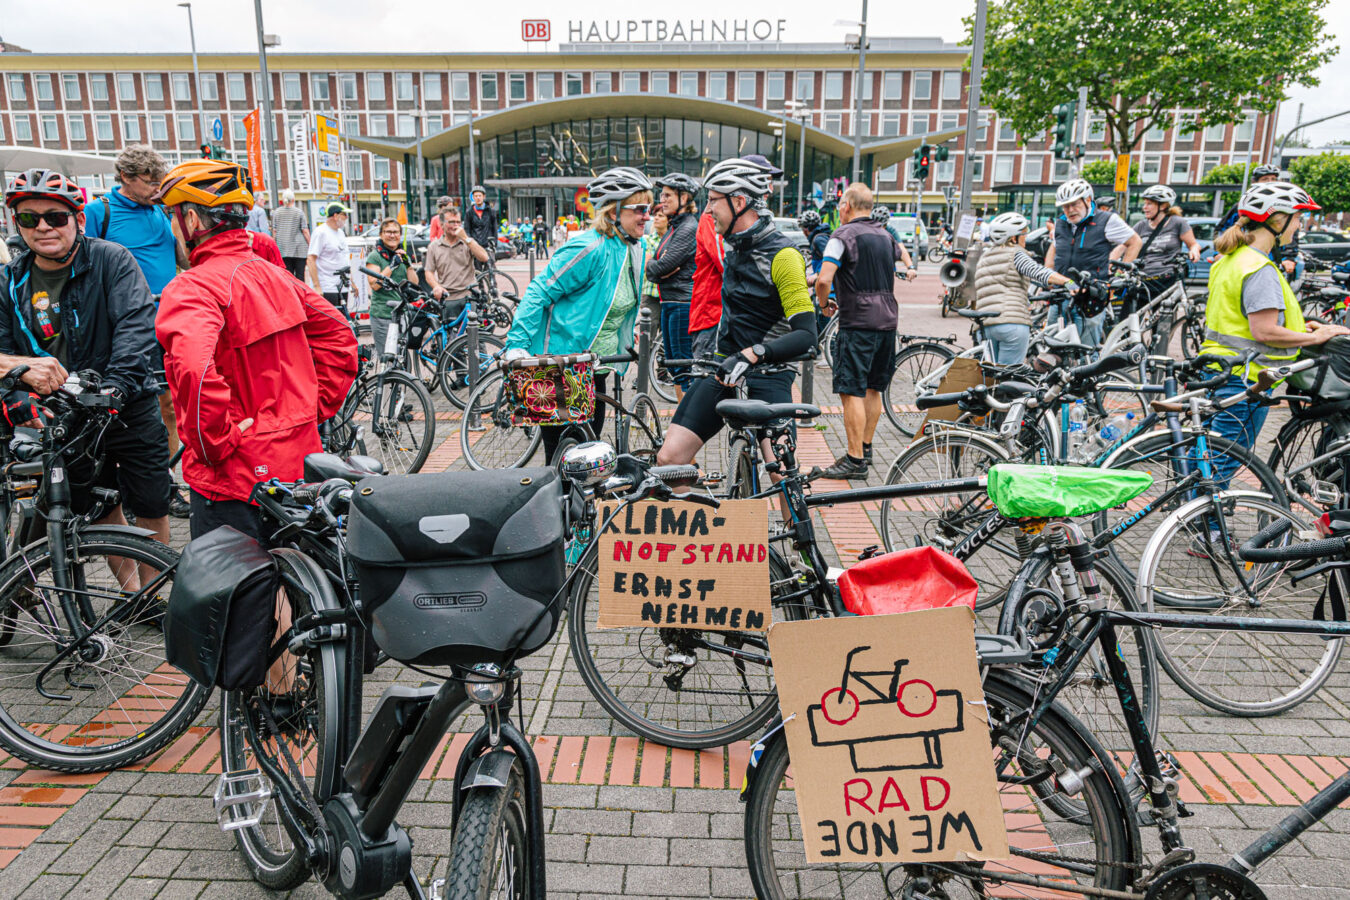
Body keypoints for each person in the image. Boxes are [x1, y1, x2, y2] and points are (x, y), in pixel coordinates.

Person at [153, 159, 358, 540]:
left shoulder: (192, 287)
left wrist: (216, 445)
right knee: (295, 582)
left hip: (234, 475)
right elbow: (341, 339)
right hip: (297, 461)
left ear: (192, 222)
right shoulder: (278, 275)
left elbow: (194, 374)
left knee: (238, 594)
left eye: (172, 216)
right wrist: (307, 410)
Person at [0, 168, 172, 555]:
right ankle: (131, 596)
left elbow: (136, 325)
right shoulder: (9, 280)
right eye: (29, 218)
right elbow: (6, 347)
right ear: (18, 225)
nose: (43, 227)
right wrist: (16, 395)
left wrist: (116, 387)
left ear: (78, 220)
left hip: (126, 405)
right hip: (63, 414)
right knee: (99, 508)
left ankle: (154, 598)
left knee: (150, 505)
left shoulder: (111, 259)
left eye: (55, 217)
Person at [1197, 183, 1350, 549]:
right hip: (1246, 377)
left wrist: (1300, 328)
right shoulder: (1260, 267)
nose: (1299, 226)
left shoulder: (1231, 259)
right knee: (1225, 459)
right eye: (1297, 219)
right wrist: (1314, 338)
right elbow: (1263, 329)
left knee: (1211, 451)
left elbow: (1237, 316)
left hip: (1220, 368)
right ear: (1277, 220)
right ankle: (1207, 531)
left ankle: (1198, 519)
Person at [657, 157, 816, 469]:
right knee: (669, 459)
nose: (706, 209)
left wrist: (756, 353)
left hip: (769, 374)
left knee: (783, 475)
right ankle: (705, 513)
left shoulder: (783, 255)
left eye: (714, 200)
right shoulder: (732, 246)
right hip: (725, 370)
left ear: (740, 201)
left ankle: (796, 520)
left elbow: (807, 336)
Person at [503, 167, 650, 463]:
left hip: (597, 366)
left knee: (589, 451)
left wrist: (626, 330)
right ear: (613, 212)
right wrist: (516, 342)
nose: (647, 216)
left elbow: (615, 300)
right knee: (562, 458)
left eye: (650, 208)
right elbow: (539, 292)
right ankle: (554, 507)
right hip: (564, 366)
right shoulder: (588, 247)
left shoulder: (635, 247)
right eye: (641, 209)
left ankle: (581, 507)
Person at [83, 145, 192, 518]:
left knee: (170, 410)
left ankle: (162, 484)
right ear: (127, 178)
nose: (156, 187)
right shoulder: (100, 211)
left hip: (167, 323)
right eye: (150, 181)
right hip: (125, 328)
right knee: (124, 411)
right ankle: (123, 489)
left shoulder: (160, 211)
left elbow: (183, 259)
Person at [813, 184, 912, 479]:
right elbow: (901, 254)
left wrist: (823, 305)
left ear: (846, 206)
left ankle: (854, 460)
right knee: (873, 388)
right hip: (888, 321)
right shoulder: (886, 236)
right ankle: (866, 447)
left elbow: (823, 279)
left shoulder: (841, 236)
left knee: (851, 390)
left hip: (857, 322)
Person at [1044, 178, 1142, 345]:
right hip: (1062, 293)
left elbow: (1134, 241)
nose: (1070, 210)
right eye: (1065, 206)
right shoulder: (1061, 223)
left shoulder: (1106, 220)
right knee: (1052, 345)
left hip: (1091, 296)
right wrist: (1047, 274)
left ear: (1088, 200)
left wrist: (1119, 275)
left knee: (1087, 350)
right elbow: (1055, 248)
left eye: (1075, 204)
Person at [973, 211, 1078, 365]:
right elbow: (1038, 272)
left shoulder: (985, 257)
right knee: (1009, 377)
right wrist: (1069, 283)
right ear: (1013, 237)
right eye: (1024, 233)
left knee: (993, 376)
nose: (1026, 237)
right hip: (1011, 323)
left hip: (986, 325)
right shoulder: (1015, 254)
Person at [647, 172, 701, 397]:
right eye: (662, 195)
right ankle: (683, 419)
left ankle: (687, 424)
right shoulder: (674, 227)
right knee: (675, 367)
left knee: (682, 369)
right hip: (670, 301)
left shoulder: (688, 228)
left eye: (668, 195)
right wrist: (656, 266)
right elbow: (656, 268)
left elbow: (660, 267)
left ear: (685, 197)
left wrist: (655, 266)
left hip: (681, 303)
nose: (663, 199)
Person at [1219, 165, 1298, 276]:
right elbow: (1223, 229)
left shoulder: (1281, 207)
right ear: (1255, 182)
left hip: (1271, 261)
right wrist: (1218, 253)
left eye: (1273, 179)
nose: (1270, 182)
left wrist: (1289, 257)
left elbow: (1289, 235)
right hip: (1243, 259)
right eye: (1265, 179)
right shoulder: (1242, 207)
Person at [364, 218, 421, 359]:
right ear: (381, 235)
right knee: (387, 357)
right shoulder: (375, 256)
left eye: (395, 232)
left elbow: (415, 282)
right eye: (388, 232)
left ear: (400, 235)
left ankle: (403, 381)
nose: (392, 235)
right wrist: (391, 266)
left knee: (402, 357)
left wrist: (408, 265)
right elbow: (375, 285)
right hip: (383, 314)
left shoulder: (401, 256)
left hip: (402, 314)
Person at [1133, 185, 1202, 301]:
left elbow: (1193, 244)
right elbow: (1124, 245)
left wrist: (1194, 251)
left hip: (1167, 279)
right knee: (1130, 316)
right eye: (1144, 203)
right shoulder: (1141, 226)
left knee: (1163, 316)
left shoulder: (1177, 223)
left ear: (1163, 205)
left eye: (1149, 204)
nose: (1144, 207)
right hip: (1143, 280)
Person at [423, 206, 489, 303]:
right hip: (447, 297)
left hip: (469, 295)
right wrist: (436, 286)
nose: (456, 225)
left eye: (458, 222)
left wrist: (466, 238)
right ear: (441, 225)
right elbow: (429, 272)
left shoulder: (467, 242)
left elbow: (484, 257)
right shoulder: (434, 247)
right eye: (451, 222)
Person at [689, 205, 726, 365]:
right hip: (712, 312)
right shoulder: (712, 217)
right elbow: (725, 263)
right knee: (705, 377)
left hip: (719, 311)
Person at [307, 202, 351, 313]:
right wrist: (317, 286)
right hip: (327, 286)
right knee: (332, 321)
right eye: (344, 214)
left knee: (343, 318)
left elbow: (344, 258)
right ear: (335, 216)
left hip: (342, 286)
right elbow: (311, 259)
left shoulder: (341, 233)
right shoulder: (321, 232)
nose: (346, 218)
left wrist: (352, 283)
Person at [271, 189, 311, 281]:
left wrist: (274, 246)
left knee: (288, 276)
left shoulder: (277, 212)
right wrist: (310, 244)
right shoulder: (299, 212)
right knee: (300, 275)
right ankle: (300, 294)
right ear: (293, 199)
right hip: (299, 249)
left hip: (283, 249)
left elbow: (274, 231)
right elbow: (305, 230)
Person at [869, 205, 918, 277]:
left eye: (881, 226)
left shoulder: (891, 231)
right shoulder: (866, 230)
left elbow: (901, 249)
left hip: (887, 266)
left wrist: (910, 267)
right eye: (875, 225)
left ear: (886, 224)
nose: (878, 229)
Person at [798, 208, 831, 282]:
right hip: (823, 281)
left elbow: (830, 261)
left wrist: (817, 274)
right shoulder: (819, 237)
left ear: (806, 229)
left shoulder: (818, 240)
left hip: (828, 286)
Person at [464, 185, 496, 251]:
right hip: (475, 247)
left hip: (488, 246)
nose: (478, 198)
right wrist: (470, 244)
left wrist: (494, 244)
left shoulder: (490, 211)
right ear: (473, 197)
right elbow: (467, 230)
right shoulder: (469, 212)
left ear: (484, 197)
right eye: (476, 196)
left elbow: (494, 229)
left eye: (480, 196)